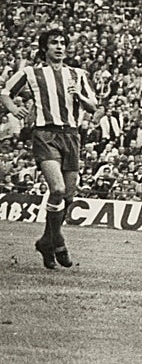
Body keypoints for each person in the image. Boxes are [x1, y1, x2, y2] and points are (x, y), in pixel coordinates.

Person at [1, 27, 99, 269]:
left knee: (68, 195)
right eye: (54, 42)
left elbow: (93, 105)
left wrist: (81, 97)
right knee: (57, 188)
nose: (59, 46)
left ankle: (47, 241)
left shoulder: (77, 74)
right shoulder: (31, 72)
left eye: (63, 42)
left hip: (72, 135)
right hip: (45, 134)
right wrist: (14, 109)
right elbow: (5, 92)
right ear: (45, 47)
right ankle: (58, 241)